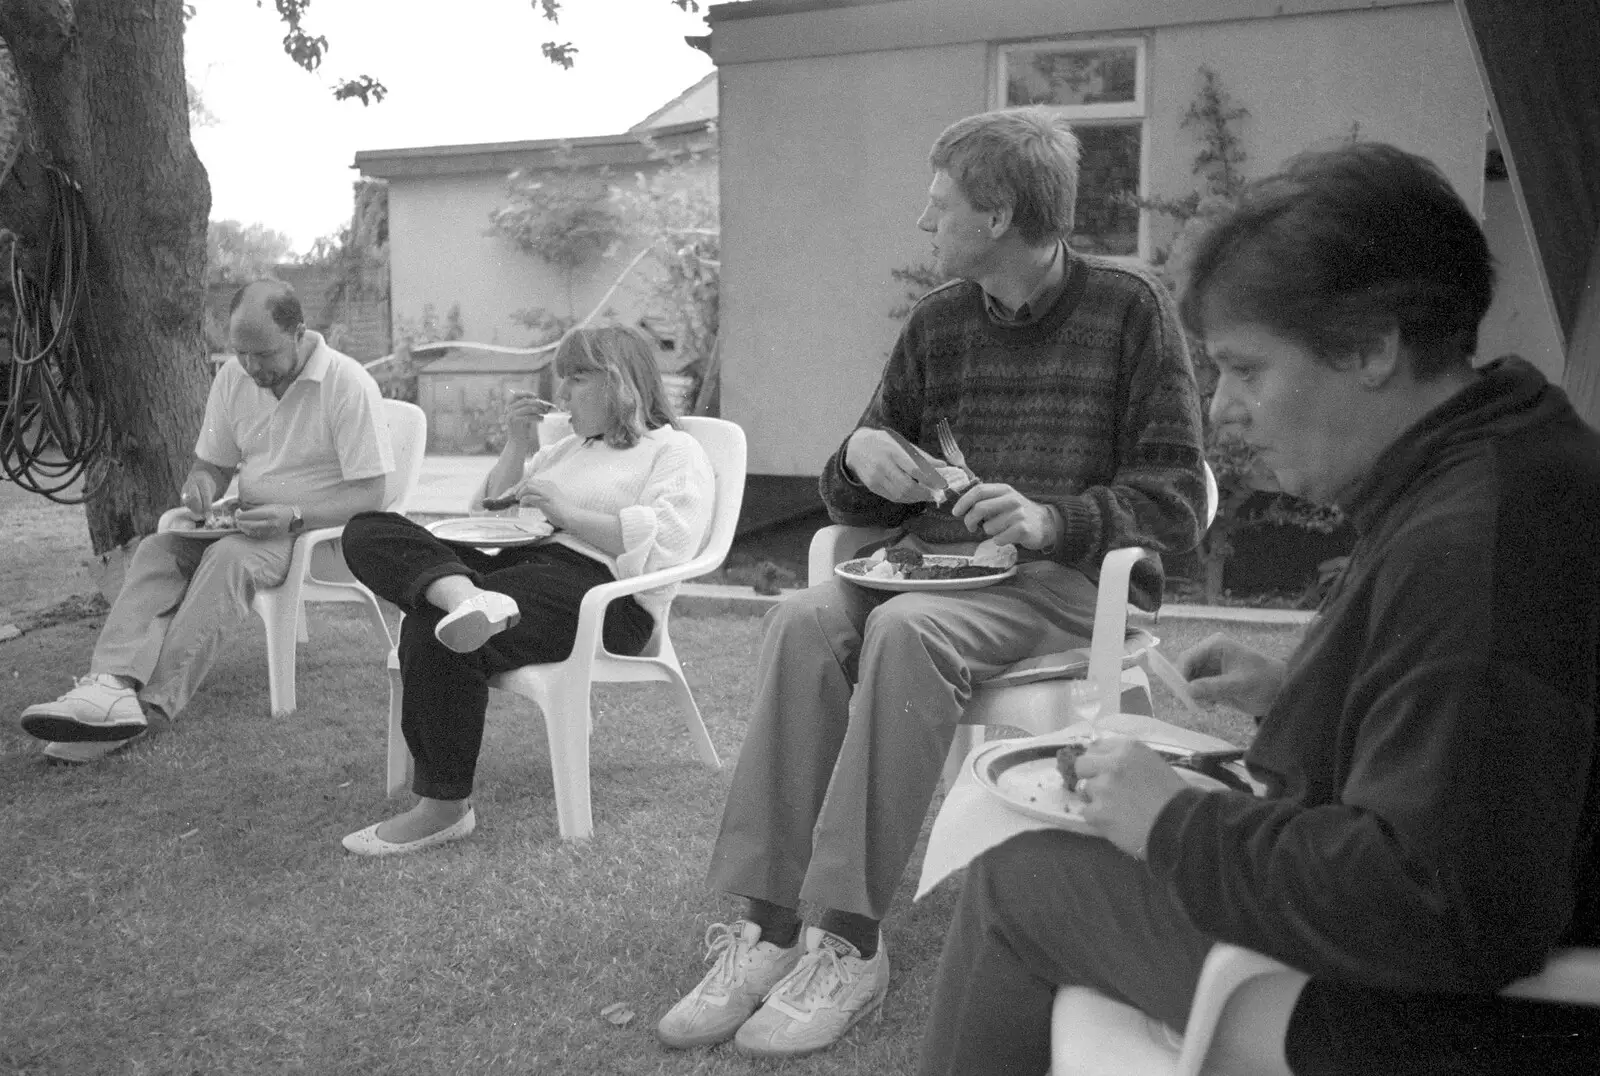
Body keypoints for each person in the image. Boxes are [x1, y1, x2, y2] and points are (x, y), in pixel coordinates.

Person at [915, 141, 1600, 1075]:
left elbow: (1438, 900)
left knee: (1013, 880)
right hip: (1428, 962)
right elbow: (1485, 738)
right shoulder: (1507, 456)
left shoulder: (1471, 546)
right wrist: (1303, 695)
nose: (1223, 409)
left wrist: (1174, 822)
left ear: (1371, 346)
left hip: (1416, 1019)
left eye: (1245, 369)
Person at [658, 106, 1206, 1058]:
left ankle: (850, 942)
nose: (924, 220)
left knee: (906, 630)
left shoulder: (1130, 310)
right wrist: (860, 458)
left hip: (1062, 584)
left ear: (997, 215)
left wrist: (1051, 519)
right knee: (799, 616)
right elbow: (854, 492)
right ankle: (767, 925)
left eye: (939, 202)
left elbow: (1176, 500)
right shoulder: (940, 321)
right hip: (931, 569)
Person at [337, 324, 714, 857]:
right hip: (521, 570)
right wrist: (518, 443)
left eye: (576, 379)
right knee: (369, 528)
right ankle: (465, 598)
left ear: (619, 381)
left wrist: (569, 514)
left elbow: (669, 544)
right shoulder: (567, 451)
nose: (563, 395)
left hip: (604, 597)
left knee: (435, 625)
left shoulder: (674, 451)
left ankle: (443, 807)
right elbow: (492, 507)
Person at [18, 280, 393, 762]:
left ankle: (146, 710)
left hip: (315, 534)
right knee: (159, 549)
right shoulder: (234, 379)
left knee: (226, 558)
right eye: (241, 353)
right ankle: (107, 686)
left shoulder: (348, 383)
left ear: (299, 333)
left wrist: (293, 515)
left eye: (263, 354)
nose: (252, 367)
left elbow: (373, 494)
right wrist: (201, 487)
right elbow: (212, 464)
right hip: (245, 522)